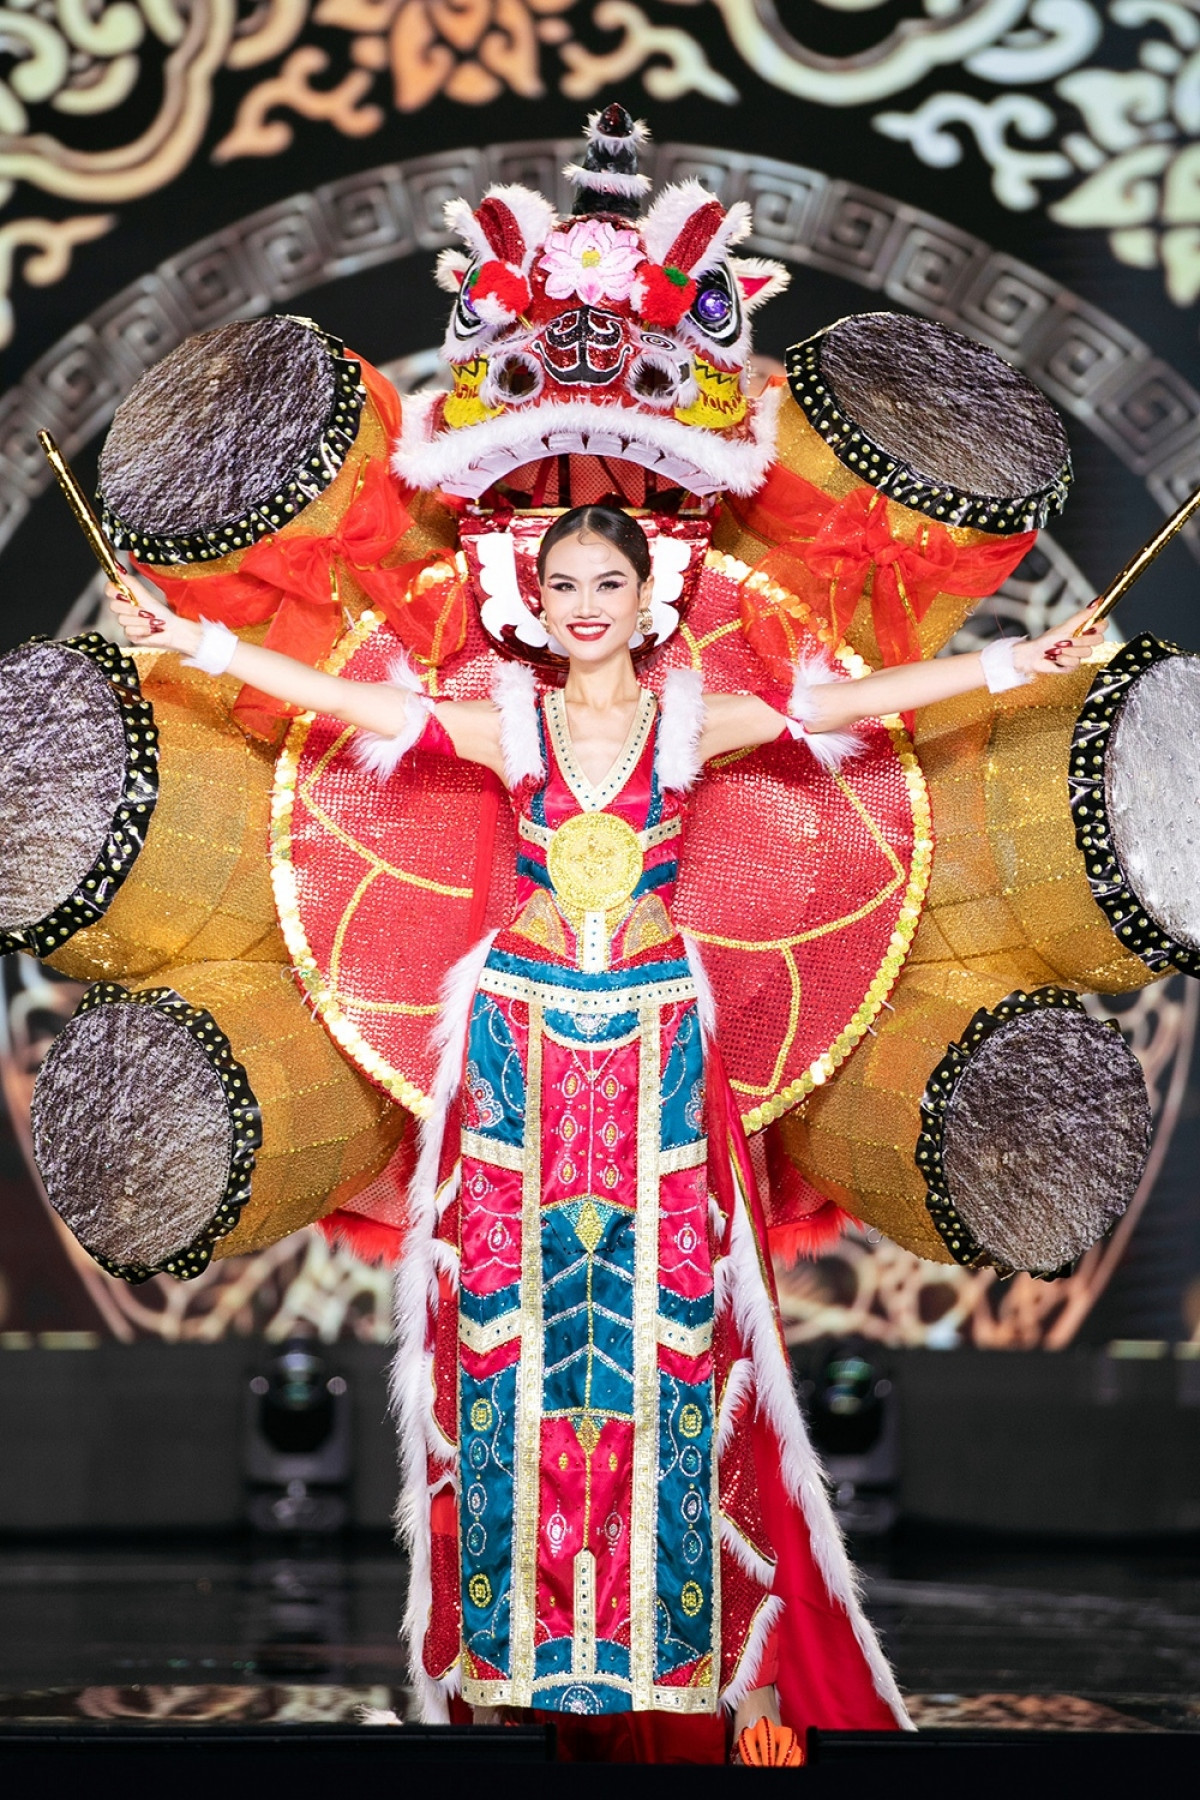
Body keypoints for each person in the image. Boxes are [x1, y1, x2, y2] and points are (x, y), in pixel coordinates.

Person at [109, 503, 1101, 1761]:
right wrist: (193, 642)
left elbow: (859, 704)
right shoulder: (512, 724)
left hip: (654, 1053)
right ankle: (520, 1656)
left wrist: (1020, 660)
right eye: (564, 584)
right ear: (537, 601)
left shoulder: (692, 723)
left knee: (674, 1337)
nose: (585, 605)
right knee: (509, 1338)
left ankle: (681, 1653)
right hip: (519, 1051)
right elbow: (353, 705)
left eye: (606, 583)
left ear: (649, 598)